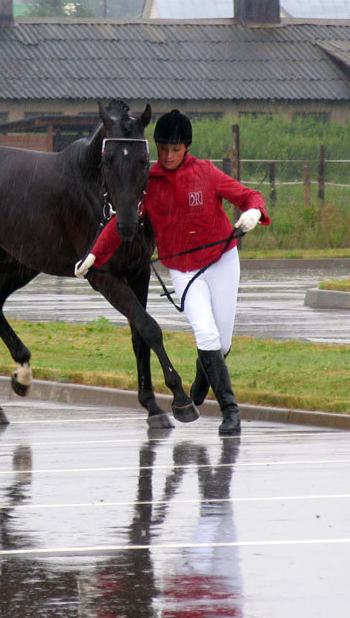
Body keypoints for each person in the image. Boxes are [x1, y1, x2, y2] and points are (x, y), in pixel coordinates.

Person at [75, 109, 271, 435]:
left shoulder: (207, 173)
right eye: (163, 149)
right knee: (206, 334)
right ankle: (230, 412)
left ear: (187, 147)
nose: (168, 156)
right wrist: (95, 255)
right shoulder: (148, 183)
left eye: (175, 150)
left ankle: (203, 374)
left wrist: (254, 211)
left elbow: (247, 195)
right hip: (183, 270)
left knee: (221, 344)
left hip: (222, 262)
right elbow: (118, 223)